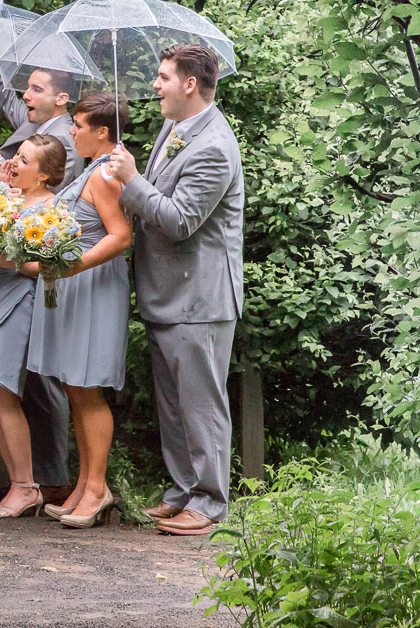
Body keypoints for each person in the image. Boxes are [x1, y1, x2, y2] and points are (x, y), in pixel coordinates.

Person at [106, 44, 244, 536]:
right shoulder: (176, 127)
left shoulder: (214, 146)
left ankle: (209, 504)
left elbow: (181, 220)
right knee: (174, 404)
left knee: (201, 404)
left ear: (190, 84)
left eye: (164, 77)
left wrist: (132, 182)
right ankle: (182, 491)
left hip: (200, 298)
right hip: (168, 293)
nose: (156, 85)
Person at [0, 60, 78, 503]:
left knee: (0, 387)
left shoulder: (51, 211)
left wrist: (13, 263)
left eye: (23, 160)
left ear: (46, 172)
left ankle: (27, 485)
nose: (14, 163)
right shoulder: (8, 199)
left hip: (19, 302)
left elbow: (53, 266)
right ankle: (16, 478)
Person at [30, 93, 133, 529]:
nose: (70, 131)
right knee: (74, 385)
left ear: (102, 131)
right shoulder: (91, 168)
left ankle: (97, 488)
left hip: (92, 285)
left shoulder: (108, 173)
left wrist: (73, 265)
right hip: (74, 285)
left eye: (77, 124)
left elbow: (121, 235)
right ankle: (85, 483)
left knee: (87, 386)